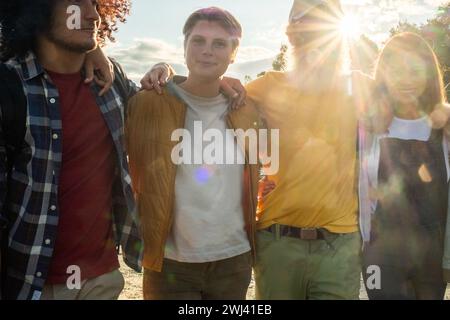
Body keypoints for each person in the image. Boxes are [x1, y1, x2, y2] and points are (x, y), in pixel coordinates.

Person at [142, 0, 367, 300]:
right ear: (290, 34)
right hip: (277, 241)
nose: (312, 37)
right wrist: (165, 70)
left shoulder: (360, 87)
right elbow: (206, 83)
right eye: (303, 27)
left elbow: (414, 101)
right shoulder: (266, 87)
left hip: (339, 243)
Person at [0, 0, 142, 300]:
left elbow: (162, 106)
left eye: (94, 3)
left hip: (102, 278)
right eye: (76, 3)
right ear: (36, 9)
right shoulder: (9, 87)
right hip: (31, 283)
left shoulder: (110, 79)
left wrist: (167, 72)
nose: (91, 14)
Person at [125, 7, 267, 300]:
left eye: (219, 44)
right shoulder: (146, 104)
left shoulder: (248, 110)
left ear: (233, 54)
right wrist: (162, 67)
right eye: (198, 41)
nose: (207, 51)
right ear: (185, 47)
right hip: (169, 263)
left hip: (233, 260)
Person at [360, 32, 450, 300]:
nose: (406, 80)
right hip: (381, 253)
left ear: (429, 74)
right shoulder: (368, 127)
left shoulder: (444, 128)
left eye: (415, 70)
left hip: (432, 255)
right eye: (397, 70)